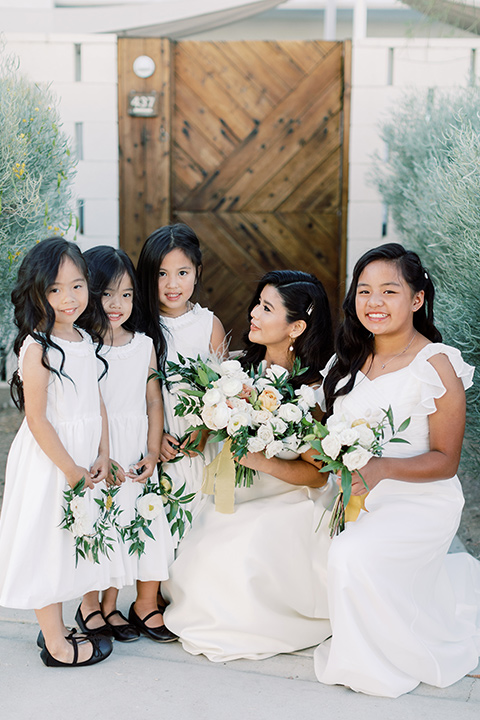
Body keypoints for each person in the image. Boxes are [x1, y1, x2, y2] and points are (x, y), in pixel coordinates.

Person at [314, 242, 480, 697]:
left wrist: (382, 468)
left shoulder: (436, 366)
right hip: (353, 497)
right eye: (364, 291)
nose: (374, 303)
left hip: (419, 501)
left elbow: (446, 461)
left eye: (389, 291)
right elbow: (323, 432)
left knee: (351, 556)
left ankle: (380, 663)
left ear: (417, 299)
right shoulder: (346, 361)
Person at [162, 270, 336, 661]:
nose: (254, 313)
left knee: (239, 552)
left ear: (296, 327)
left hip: (291, 500)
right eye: (258, 303)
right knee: (192, 554)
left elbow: (317, 472)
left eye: (267, 308)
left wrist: (259, 460)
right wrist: (204, 431)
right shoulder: (238, 371)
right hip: (236, 495)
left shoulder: (311, 391)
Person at [0, 238, 113, 667]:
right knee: (48, 543)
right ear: (37, 292)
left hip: (82, 459)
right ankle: (56, 644)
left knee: (69, 542)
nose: (68, 298)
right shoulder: (38, 348)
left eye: (77, 285)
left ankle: (56, 627)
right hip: (53, 462)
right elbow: (38, 419)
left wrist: (103, 451)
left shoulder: (84, 337)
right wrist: (70, 469)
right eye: (54, 289)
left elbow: (94, 400)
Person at [75, 246, 176, 643]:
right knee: (94, 525)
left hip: (134, 450)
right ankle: (88, 604)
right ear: (91, 293)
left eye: (127, 294)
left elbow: (153, 401)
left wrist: (151, 453)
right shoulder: (83, 345)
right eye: (107, 294)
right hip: (100, 452)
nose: (117, 304)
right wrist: (104, 455)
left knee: (125, 527)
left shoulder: (143, 344)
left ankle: (112, 603)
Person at [136, 223, 226, 525]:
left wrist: (203, 433)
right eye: (161, 274)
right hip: (152, 444)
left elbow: (224, 394)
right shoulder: (138, 329)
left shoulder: (208, 325)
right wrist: (154, 437)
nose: (172, 284)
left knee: (199, 523)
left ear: (197, 272)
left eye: (182, 273)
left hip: (197, 444)